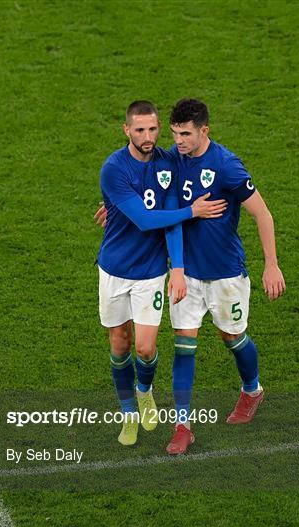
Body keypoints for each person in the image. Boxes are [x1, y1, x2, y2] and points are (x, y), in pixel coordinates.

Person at [97, 100, 227, 447]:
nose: (148, 136)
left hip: (152, 272)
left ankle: (144, 392)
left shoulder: (169, 163)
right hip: (113, 269)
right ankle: (128, 415)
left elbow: (194, 180)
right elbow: (143, 219)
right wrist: (191, 212)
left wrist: (177, 265)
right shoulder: (113, 169)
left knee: (144, 348)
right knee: (120, 343)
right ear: (126, 130)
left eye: (153, 129)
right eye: (139, 130)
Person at [165, 98, 286, 454]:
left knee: (233, 338)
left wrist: (272, 264)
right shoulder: (172, 159)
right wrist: (115, 210)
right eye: (174, 133)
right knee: (183, 346)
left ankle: (252, 390)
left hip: (225, 274)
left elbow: (263, 215)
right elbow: (146, 190)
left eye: (185, 134)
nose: (179, 141)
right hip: (184, 273)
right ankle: (182, 427)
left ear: (205, 130)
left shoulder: (226, 166)